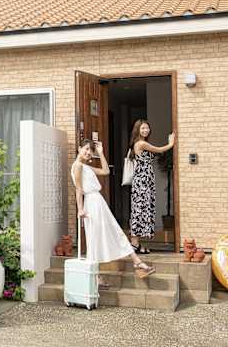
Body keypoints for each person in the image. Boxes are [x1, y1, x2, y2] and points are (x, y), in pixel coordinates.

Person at [72, 139, 155, 286]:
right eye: (86, 149)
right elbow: (78, 189)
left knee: (111, 232)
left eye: (90, 150)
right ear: (79, 149)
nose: (88, 152)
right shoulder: (78, 166)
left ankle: (135, 262)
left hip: (98, 203)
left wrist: (101, 153)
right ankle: (99, 275)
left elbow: (106, 171)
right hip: (92, 204)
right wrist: (80, 209)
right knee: (95, 238)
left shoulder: (85, 166)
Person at [128, 120, 175, 254]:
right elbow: (159, 150)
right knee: (139, 209)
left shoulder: (140, 143)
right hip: (142, 180)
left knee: (140, 209)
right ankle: (134, 243)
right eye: (143, 128)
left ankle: (136, 243)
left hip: (144, 179)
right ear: (138, 130)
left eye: (147, 128)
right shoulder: (141, 143)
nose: (146, 130)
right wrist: (171, 143)